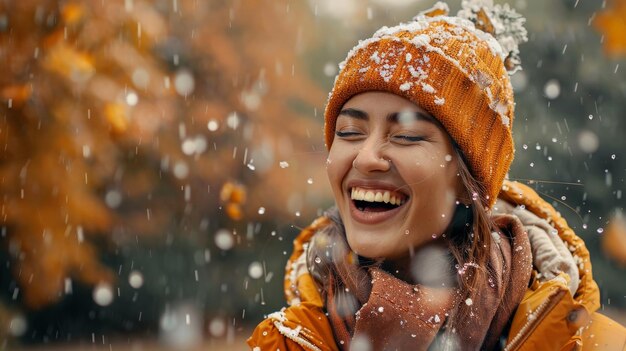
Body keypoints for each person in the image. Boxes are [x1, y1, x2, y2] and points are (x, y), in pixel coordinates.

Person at [248, 1, 626, 350]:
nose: (366, 157)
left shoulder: (589, 343)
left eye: (408, 136)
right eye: (349, 132)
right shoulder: (285, 341)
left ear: (468, 181)